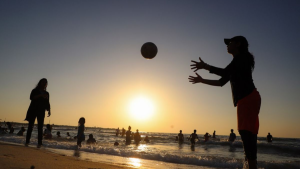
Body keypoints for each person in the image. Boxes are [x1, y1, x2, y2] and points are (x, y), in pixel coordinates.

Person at [189, 36, 261, 169]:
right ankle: (251, 165)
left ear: (238, 44)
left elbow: (224, 72)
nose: (227, 45)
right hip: (246, 100)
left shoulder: (241, 59)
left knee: (248, 135)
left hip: (248, 99)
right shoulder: (237, 62)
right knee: (247, 135)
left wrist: (205, 66)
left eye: (230, 43)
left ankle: (252, 167)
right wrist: (202, 80)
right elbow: (222, 82)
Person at [25, 78, 51, 148]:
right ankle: (27, 142)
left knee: (40, 127)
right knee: (30, 126)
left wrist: (49, 110)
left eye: (45, 83)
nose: (44, 84)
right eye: (42, 82)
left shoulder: (46, 93)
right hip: (33, 109)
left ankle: (40, 143)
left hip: (41, 111)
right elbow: (31, 97)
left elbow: (47, 102)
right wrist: (40, 95)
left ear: (46, 84)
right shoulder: (35, 91)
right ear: (40, 83)